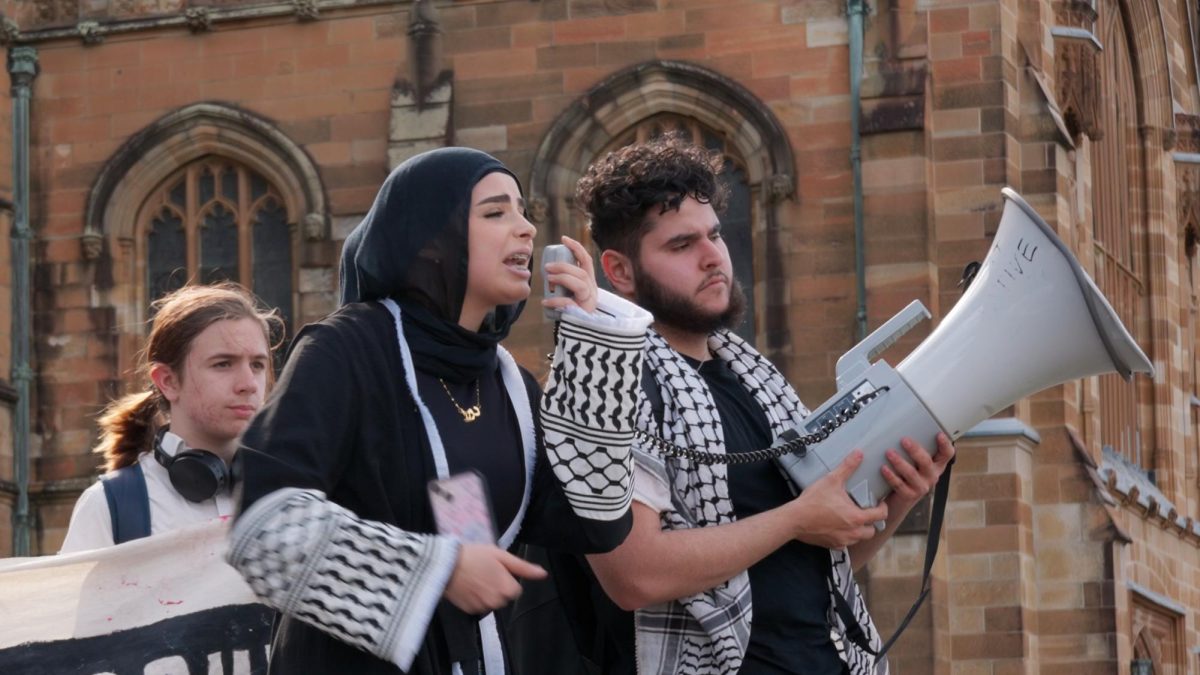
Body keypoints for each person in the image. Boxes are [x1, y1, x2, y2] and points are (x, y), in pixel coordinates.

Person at [225, 147, 652, 675]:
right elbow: (265, 525)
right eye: (495, 213)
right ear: (431, 241)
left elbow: (595, 523)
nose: (524, 229)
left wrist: (596, 344)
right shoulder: (345, 349)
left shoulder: (506, 381)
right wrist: (436, 570)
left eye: (523, 212)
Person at [568, 136, 956, 675]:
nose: (713, 257)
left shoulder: (757, 380)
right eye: (681, 246)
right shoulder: (607, 384)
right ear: (620, 270)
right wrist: (797, 518)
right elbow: (634, 574)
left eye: (715, 235)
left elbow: (816, 562)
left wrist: (896, 504)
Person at [60, 282, 281, 553]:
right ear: (168, 381)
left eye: (257, 365)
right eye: (223, 364)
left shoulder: (293, 498)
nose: (249, 384)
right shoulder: (111, 507)